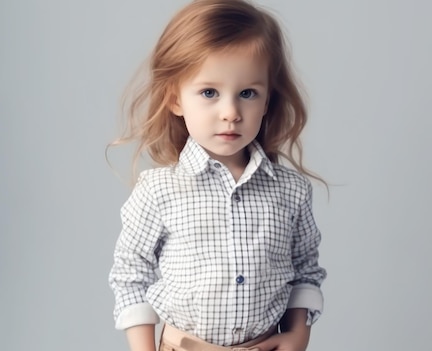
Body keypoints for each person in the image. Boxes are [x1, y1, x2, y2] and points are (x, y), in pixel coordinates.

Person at [108, 0, 327, 350]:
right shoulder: (159, 191)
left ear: (267, 100)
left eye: (247, 94)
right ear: (175, 99)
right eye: (209, 92)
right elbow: (130, 276)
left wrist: (298, 336)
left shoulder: (291, 192)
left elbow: (305, 270)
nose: (231, 113)